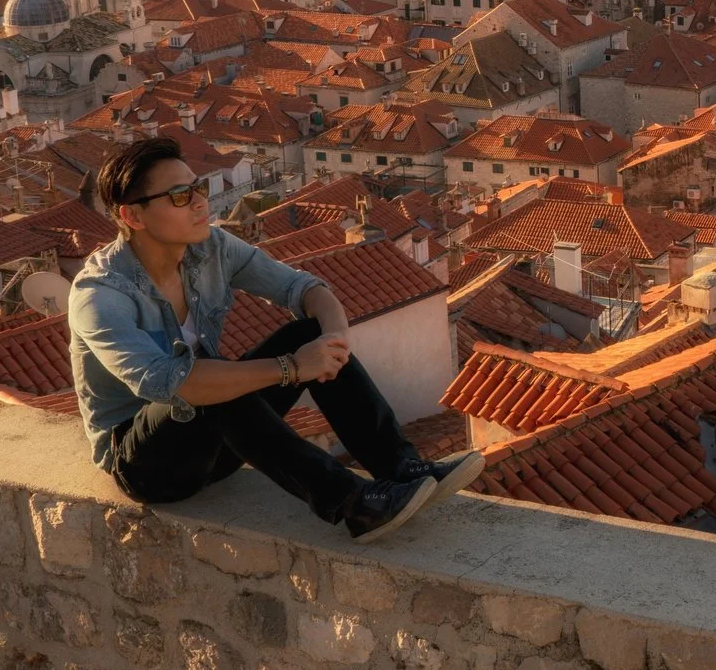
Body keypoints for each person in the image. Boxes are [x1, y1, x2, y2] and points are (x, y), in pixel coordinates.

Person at [68, 137, 481, 541]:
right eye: (179, 196)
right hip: (148, 465)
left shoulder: (210, 248)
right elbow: (171, 382)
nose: (199, 202)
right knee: (212, 383)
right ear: (133, 216)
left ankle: (402, 468)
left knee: (306, 332)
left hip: (219, 442)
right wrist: (293, 367)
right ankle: (353, 503)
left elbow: (305, 290)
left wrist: (332, 341)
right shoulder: (100, 295)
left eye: (198, 188)